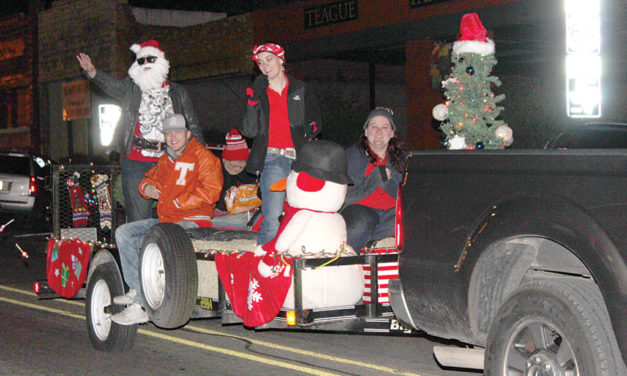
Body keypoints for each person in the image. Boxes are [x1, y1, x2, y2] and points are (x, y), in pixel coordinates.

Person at [76, 40, 205, 222]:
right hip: (136, 162)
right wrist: (92, 72)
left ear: (160, 61)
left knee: (177, 212)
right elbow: (112, 86)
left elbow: (192, 124)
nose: (145, 65)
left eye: (150, 59)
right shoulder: (131, 89)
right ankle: (140, 249)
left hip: (170, 160)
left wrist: (201, 158)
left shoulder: (177, 92)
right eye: (141, 61)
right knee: (138, 219)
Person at [111, 114, 223, 325]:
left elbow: (212, 191)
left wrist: (179, 203)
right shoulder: (166, 160)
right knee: (124, 233)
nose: (173, 138)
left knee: (157, 241)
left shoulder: (203, 157)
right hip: (168, 222)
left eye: (178, 132)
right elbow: (147, 180)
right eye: (168, 133)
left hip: (192, 221)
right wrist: (147, 188)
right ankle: (137, 289)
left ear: (188, 134)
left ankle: (140, 304)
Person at [241, 42, 322, 245]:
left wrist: (305, 132)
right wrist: (251, 102)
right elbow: (249, 131)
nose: (265, 65)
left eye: (269, 59)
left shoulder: (300, 89)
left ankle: (300, 259)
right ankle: (264, 262)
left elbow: (317, 123)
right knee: (273, 217)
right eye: (260, 62)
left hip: (300, 160)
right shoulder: (259, 92)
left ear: (281, 60)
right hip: (272, 159)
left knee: (303, 214)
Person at [340, 107, 409, 251]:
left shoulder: (403, 158)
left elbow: (407, 196)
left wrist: (387, 182)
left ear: (392, 133)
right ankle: (345, 259)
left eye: (384, 127)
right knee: (362, 222)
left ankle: (375, 243)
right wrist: (374, 180)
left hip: (390, 215)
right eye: (374, 127)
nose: (379, 132)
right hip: (360, 212)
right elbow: (345, 199)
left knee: (407, 223)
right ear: (366, 132)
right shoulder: (351, 156)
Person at [210, 129, 258, 229]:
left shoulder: (244, 169)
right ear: (225, 160)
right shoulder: (214, 167)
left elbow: (251, 186)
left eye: (242, 164)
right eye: (234, 164)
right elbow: (217, 200)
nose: (237, 168)